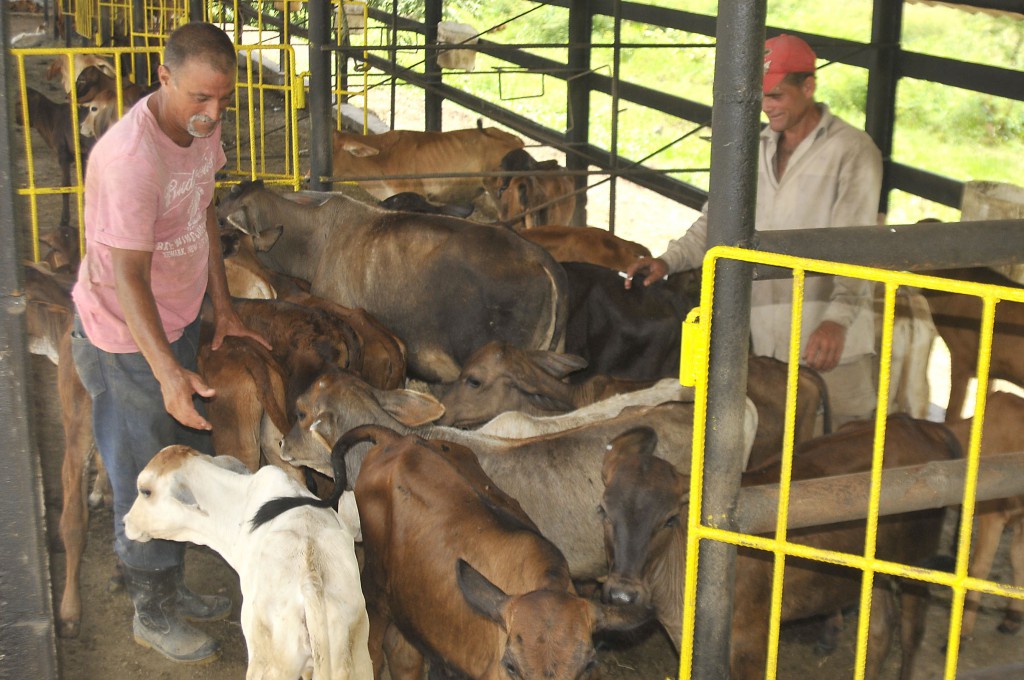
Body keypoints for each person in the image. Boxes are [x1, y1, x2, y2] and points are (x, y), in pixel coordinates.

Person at [70, 22, 269, 664]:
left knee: (177, 454)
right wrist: (166, 372)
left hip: (174, 320)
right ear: (163, 78)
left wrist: (224, 308)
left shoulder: (196, 132)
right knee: (142, 471)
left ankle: (174, 586)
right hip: (124, 338)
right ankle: (149, 612)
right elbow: (127, 276)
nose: (212, 115)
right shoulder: (130, 159)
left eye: (223, 100)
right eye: (199, 100)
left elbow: (202, 210)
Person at [625, 34, 883, 429]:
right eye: (761, 98)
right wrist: (668, 260)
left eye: (777, 95)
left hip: (832, 346)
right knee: (777, 464)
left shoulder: (853, 150)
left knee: (842, 454)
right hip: (767, 346)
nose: (767, 107)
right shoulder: (752, 148)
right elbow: (717, 221)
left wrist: (837, 319)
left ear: (808, 86)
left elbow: (858, 243)